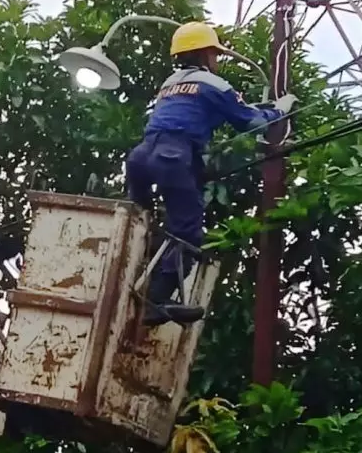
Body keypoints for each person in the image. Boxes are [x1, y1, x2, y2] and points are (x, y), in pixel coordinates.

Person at [125, 21, 297, 326]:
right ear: (205, 53)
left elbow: (196, 110)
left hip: (142, 157)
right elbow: (250, 122)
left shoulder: (170, 83)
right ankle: (158, 301)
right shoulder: (216, 85)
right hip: (173, 156)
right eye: (214, 54)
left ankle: (145, 258)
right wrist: (280, 110)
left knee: (144, 217)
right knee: (188, 232)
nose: (216, 60)